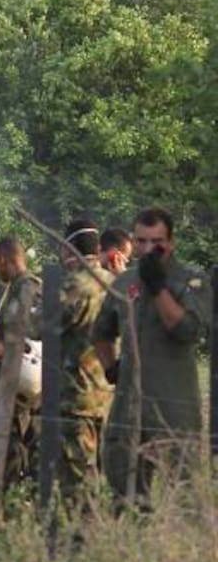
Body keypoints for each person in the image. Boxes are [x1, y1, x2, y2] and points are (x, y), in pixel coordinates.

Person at [91, 207, 212, 503]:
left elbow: (185, 329)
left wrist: (158, 286)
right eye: (141, 241)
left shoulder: (191, 281)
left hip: (174, 406)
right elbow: (101, 332)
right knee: (124, 490)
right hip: (129, 403)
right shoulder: (124, 281)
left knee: (183, 495)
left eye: (156, 241)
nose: (148, 248)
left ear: (171, 242)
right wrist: (111, 368)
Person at [56, 219, 113, 504]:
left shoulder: (76, 284)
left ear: (68, 248)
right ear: (98, 247)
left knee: (76, 478)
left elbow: (39, 324)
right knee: (106, 474)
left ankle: (79, 541)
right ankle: (106, 536)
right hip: (110, 393)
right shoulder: (115, 281)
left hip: (78, 395)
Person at [0, 237, 41, 485]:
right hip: (15, 376)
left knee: (14, 441)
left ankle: (12, 496)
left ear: (2, 260)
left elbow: (28, 330)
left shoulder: (28, 286)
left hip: (23, 378)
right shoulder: (17, 288)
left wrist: (2, 346)